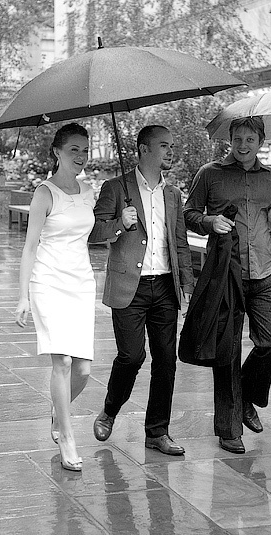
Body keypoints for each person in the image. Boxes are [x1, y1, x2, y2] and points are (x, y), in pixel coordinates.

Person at [184, 116, 271, 454]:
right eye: (238, 139)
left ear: (261, 142)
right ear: (229, 139)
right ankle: (229, 429)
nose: (243, 146)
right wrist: (208, 221)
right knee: (227, 350)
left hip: (264, 271)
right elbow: (188, 213)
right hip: (225, 273)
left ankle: (244, 395)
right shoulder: (209, 174)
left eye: (250, 140)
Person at [89, 125, 194, 456]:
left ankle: (157, 431)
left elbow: (179, 242)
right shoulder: (115, 188)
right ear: (144, 149)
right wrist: (121, 222)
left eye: (172, 145)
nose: (170, 151)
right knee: (132, 356)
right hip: (128, 287)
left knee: (166, 360)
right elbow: (93, 232)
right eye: (164, 145)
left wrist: (186, 285)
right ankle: (110, 410)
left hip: (164, 285)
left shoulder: (173, 194)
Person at [15, 123, 95, 472]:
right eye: (74, 149)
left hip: (81, 283)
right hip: (48, 281)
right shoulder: (44, 194)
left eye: (85, 150)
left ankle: (57, 410)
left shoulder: (89, 191)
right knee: (61, 363)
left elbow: (98, 233)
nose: (81, 156)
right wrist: (22, 297)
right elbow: (30, 247)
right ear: (57, 152)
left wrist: (122, 220)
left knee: (84, 370)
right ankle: (66, 434)